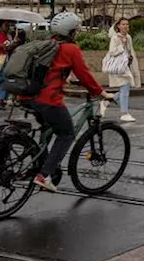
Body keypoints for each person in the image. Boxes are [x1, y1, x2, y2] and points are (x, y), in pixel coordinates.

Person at [18, 12, 109, 192]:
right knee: (67, 133)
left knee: (48, 128)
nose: (77, 33)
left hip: (26, 96)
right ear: (71, 31)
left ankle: (41, 163)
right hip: (47, 99)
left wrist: (64, 79)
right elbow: (84, 74)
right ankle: (43, 175)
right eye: (76, 30)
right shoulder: (70, 49)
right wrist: (100, 92)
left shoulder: (47, 44)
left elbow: (50, 70)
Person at [106, 18, 141, 123]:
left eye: (127, 24)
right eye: (123, 24)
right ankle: (124, 113)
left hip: (126, 66)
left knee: (126, 88)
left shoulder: (129, 37)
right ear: (118, 26)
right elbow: (112, 52)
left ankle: (109, 98)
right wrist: (122, 44)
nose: (126, 26)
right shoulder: (115, 38)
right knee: (125, 88)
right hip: (118, 67)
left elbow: (130, 51)